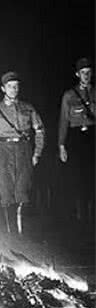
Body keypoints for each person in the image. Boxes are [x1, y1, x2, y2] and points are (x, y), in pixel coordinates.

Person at [0, 71, 45, 235]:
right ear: (3, 89)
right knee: (5, 188)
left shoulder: (28, 108)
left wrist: (36, 153)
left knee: (22, 188)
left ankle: (22, 231)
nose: (13, 89)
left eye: (16, 86)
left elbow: (39, 130)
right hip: (2, 151)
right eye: (9, 86)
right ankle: (10, 233)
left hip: (24, 150)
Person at [58, 57, 95, 224]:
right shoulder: (70, 95)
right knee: (78, 175)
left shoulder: (95, 92)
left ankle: (92, 212)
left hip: (93, 137)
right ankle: (80, 214)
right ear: (77, 74)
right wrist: (61, 144)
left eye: (88, 72)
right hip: (76, 138)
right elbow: (64, 121)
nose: (86, 76)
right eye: (83, 73)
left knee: (92, 175)